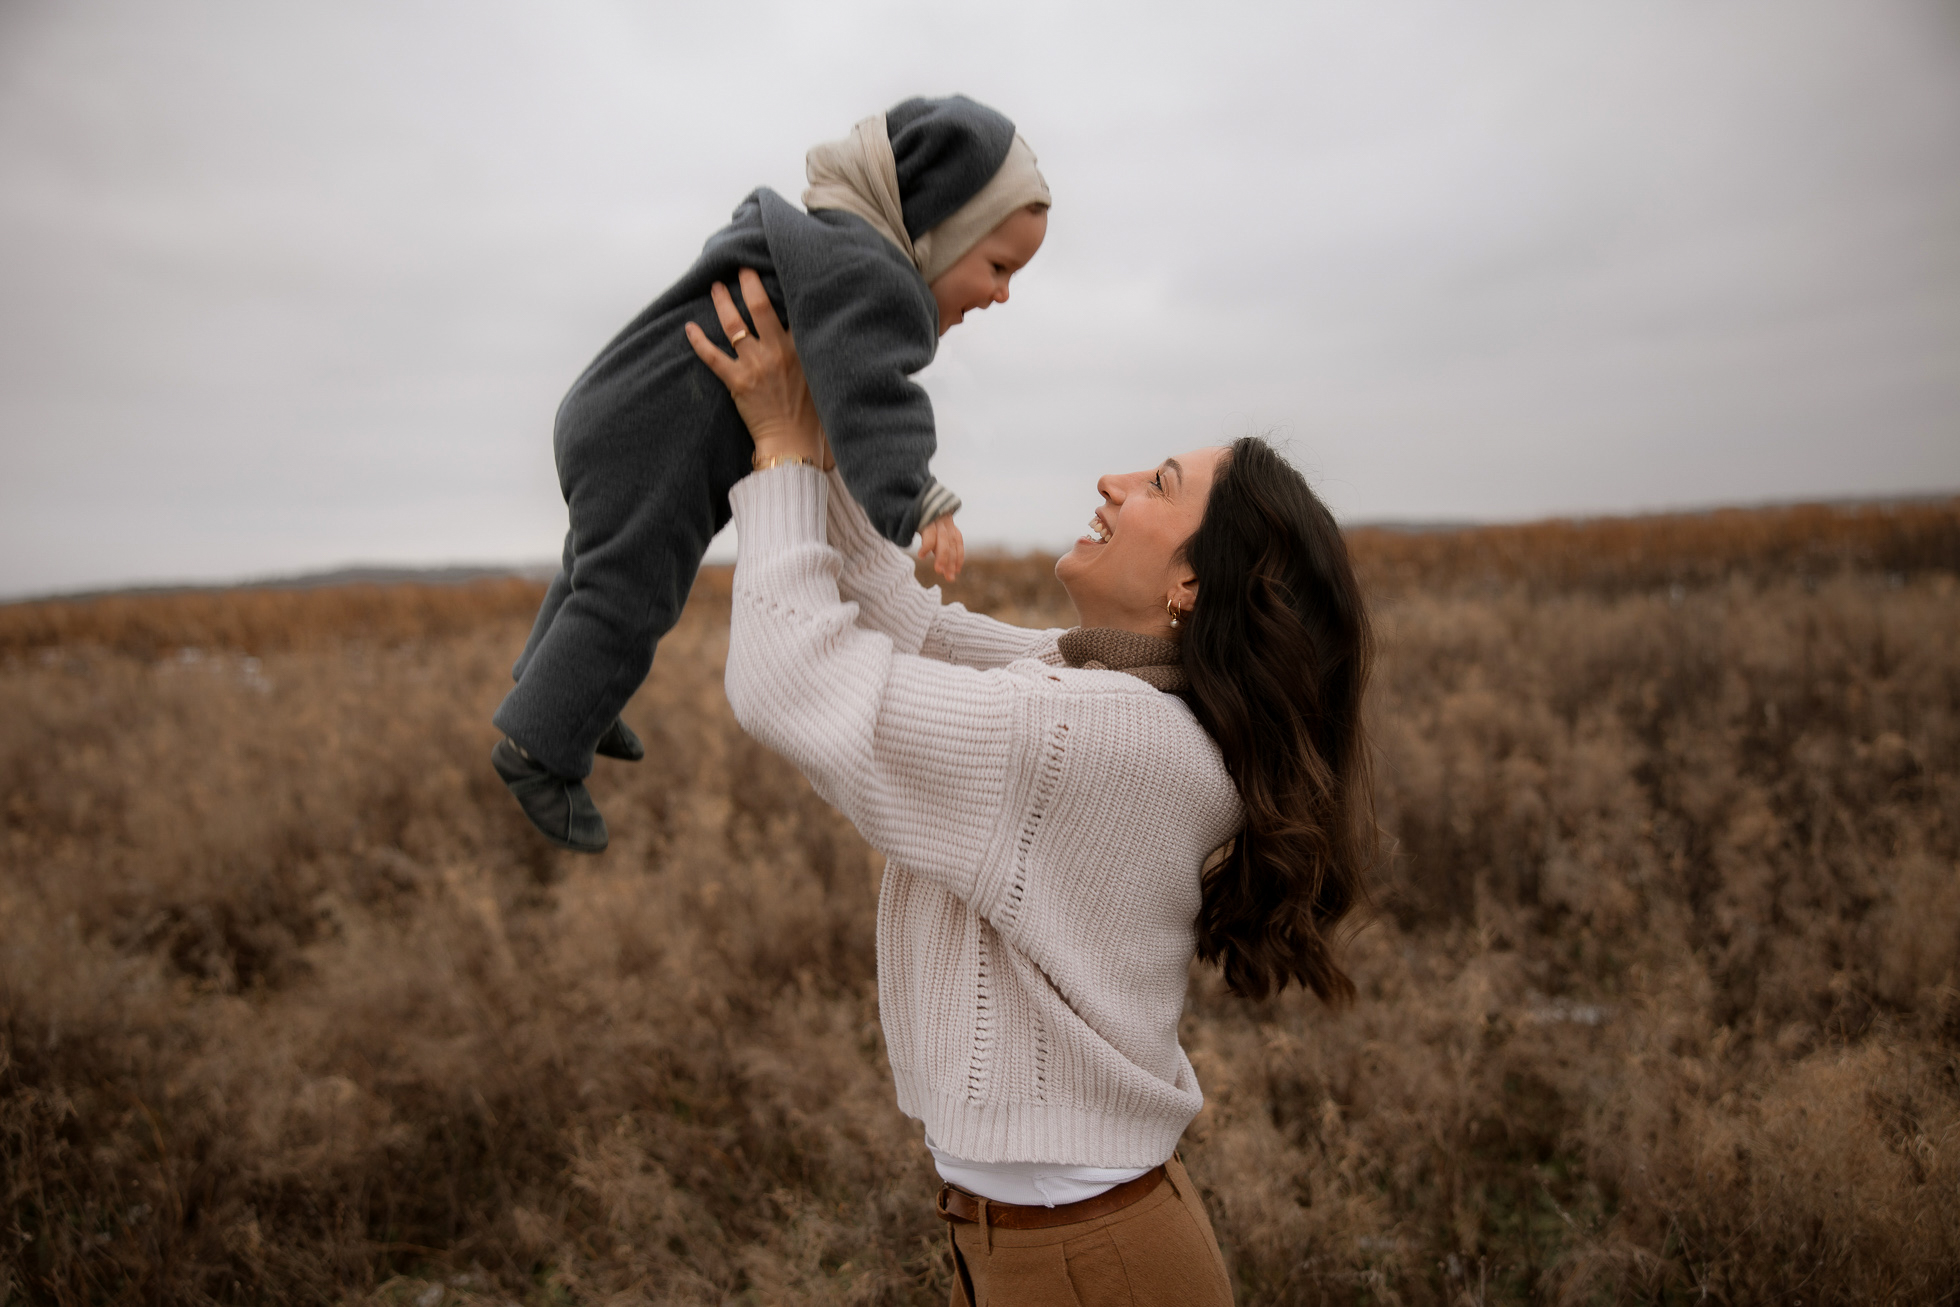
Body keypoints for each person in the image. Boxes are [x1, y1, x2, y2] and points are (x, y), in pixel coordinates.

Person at [688, 275, 1377, 1305]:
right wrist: (833, 423)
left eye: (1157, 483)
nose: (1110, 480)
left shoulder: (1100, 735)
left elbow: (793, 683)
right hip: (1043, 1242)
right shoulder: (1111, 690)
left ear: (1190, 585)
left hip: (1083, 1260)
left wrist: (783, 454)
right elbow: (907, 626)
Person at [492, 95, 1051, 853]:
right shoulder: (870, 279)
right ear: (937, 230)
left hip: (610, 414)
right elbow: (872, 394)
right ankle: (539, 749)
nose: (1002, 292)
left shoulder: (811, 246)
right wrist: (916, 497)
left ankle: (566, 692)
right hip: (658, 434)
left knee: (593, 568)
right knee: (630, 593)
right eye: (997, 266)